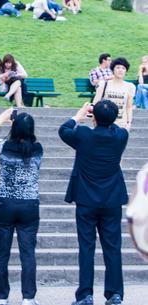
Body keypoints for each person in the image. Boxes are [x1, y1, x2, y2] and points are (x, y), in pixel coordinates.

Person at [59, 100, 129, 305]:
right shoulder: (120, 137)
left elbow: (63, 130)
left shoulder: (83, 135)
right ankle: (115, 294)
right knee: (113, 248)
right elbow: (117, 126)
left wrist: (80, 114)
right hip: (112, 200)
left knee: (86, 248)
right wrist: (104, 117)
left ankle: (85, 295)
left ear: (94, 117)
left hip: (86, 200)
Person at [0, 108, 43, 305]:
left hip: (5, 203)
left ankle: (2, 297)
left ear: (14, 127)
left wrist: (0, 120)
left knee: (1, 251)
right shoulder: (38, 149)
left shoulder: (4, 146)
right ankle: (28, 297)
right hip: (29, 204)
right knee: (28, 253)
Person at [92, 57, 135, 129]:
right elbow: (95, 104)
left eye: (123, 68)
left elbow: (129, 107)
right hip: (104, 124)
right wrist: (94, 120)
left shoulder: (130, 86)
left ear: (126, 71)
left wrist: (129, 123)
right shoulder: (103, 84)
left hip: (121, 125)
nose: (120, 70)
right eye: (118, 67)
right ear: (113, 69)